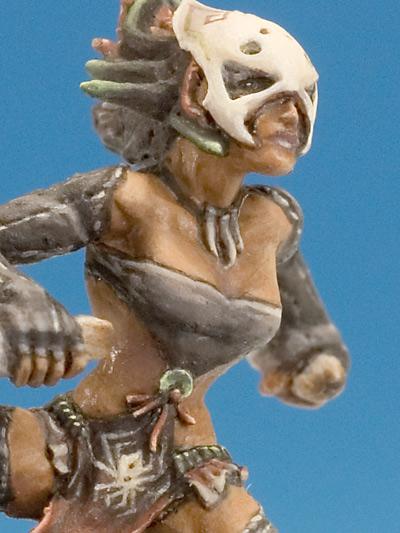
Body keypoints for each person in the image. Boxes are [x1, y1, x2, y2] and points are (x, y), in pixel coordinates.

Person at [0, 1, 349, 531]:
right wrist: (18, 300)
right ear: (195, 90)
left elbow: (303, 337)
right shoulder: (123, 200)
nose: (292, 115)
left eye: (304, 96)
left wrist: (309, 364)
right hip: (65, 443)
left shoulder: (274, 222)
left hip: (189, 468)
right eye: (264, 88)